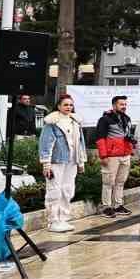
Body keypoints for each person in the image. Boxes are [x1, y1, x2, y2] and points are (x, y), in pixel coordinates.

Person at [37, 94, 84, 232]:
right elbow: (45, 144)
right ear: (59, 106)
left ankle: (63, 218)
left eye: (70, 105)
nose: (68, 107)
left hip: (72, 161)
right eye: (65, 104)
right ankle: (53, 221)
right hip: (56, 161)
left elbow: (80, 143)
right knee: (54, 190)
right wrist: (46, 163)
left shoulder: (75, 121)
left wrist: (81, 161)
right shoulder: (52, 122)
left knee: (67, 189)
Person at [94, 95, 136, 217]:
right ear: (114, 105)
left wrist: (131, 150)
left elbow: (128, 136)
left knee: (120, 182)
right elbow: (100, 139)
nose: (124, 106)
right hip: (111, 156)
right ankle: (106, 207)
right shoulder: (105, 119)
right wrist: (103, 155)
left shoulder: (127, 119)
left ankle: (117, 205)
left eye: (125, 104)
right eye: (121, 104)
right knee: (108, 182)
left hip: (125, 155)